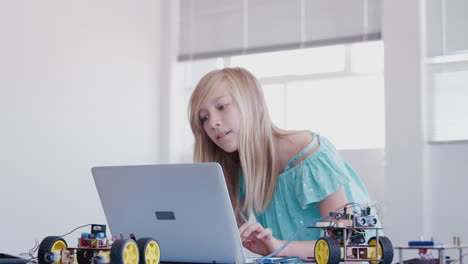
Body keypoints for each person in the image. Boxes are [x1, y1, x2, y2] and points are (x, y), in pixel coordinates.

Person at [188, 67, 376, 260]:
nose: (212, 123)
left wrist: (281, 248)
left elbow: (350, 245)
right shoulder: (236, 169)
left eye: (221, 107)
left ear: (251, 104)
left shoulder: (308, 154)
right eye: (204, 118)